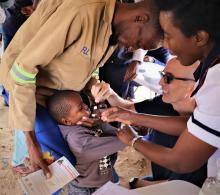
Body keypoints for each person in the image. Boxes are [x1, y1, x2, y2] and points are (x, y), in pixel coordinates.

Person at [0, 0, 163, 177]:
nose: (132, 49)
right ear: (140, 18)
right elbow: (23, 70)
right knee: (47, 164)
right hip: (25, 90)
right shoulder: (82, 12)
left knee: (58, 163)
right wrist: (31, 142)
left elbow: (75, 67)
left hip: (54, 95)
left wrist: (97, 88)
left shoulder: (111, 29)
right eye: (139, 42)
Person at [101, 0, 220, 179]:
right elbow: (192, 126)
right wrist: (133, 117)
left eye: (168, 35)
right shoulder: (212, 68)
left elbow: (181, 161)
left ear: (199, 37)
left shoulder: (216, 83)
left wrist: (133, 140)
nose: (164, 45)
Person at [92, 58, 207, 187]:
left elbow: (185, 183)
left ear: (193, 86)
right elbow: (128, 108)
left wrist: (134, 140)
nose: (160, 82)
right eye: (162, 75)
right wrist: (109, 94)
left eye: (168, 78)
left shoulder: (208, 127)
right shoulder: (165, 102)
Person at [47, 90, 125, 195]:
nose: (86, 106)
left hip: (103, 175)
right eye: (80, 108)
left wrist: (101, 120)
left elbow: (111, 132)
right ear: (67, 121)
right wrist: (134, 135)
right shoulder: (78, 141)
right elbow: (120, 141)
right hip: (87, 188)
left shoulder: (85, 121)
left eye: (83, 102)